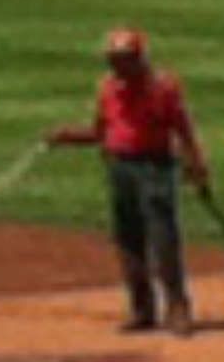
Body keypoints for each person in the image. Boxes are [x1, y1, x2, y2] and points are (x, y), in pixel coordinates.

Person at [47, 25, 212, 332]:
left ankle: (177, 307)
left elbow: (183, 128)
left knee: (163, 237)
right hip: (120, 166)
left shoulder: (163, 87)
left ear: (138, 58)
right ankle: (142, 309)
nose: (116, 65)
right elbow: (100, 131)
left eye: (122, 59)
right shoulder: (109, 88)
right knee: (128, 239)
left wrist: (196, 164)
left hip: (155, 167)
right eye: (113, 59)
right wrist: (68, 136)